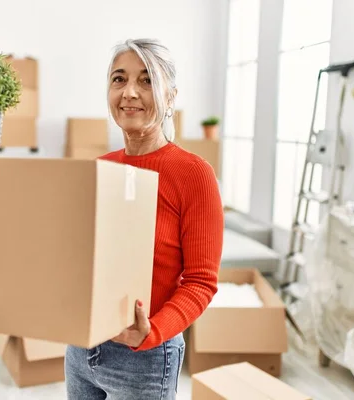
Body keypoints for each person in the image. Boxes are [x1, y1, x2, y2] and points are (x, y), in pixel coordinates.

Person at [64, 38, 224, 400]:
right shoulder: (100, 169)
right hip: (81, 347)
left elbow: (201, 282)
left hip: (147, 358)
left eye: (147, 80)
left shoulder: (194, 174)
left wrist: (151, 331)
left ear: (170, 96)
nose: (130, 92)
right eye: (119, 79)